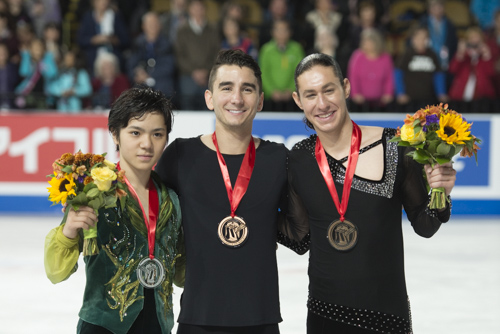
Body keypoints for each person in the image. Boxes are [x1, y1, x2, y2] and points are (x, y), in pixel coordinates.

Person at [286, 53, 456, 333]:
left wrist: (440, 192)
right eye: (311, 94)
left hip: (387, 316)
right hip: (325, 315)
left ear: (346, 87)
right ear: (298, 100)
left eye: (329, 90)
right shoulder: (300, 158)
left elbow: (425, 226)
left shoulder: (395, 145)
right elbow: (299, 236)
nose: (322, 103)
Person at [155, 49, 288, 334]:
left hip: (261, 320)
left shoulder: (279, 159)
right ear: (209, 98)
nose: (237, 98)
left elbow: (304, 227)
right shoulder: (181, 155)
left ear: (261, 100)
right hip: (197, 319)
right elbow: (146, 213)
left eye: (247, 89)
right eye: (226, 88)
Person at [44, 86, 185, 334]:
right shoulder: (94, 192)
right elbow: (56, 272)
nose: (146, 144)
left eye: (157, 134)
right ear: (115, 135)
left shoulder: (171, 199)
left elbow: (183, 274)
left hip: (158, 327)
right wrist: (68, 231)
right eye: (135, 132)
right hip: (103, 327)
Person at [174, 0, 220, 110]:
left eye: (200, 8)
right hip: (188, 77)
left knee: (208, 108)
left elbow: (216, 53)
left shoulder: (213, 30)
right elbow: (179, 55)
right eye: (194, 8)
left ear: (205, 10)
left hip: (208, 77)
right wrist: (194, 71)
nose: (198, 11)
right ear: (189, 10)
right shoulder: (181, 30)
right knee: (188, 110)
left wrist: (206, 70)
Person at [395, 26, 448, 113]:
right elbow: (398, 74)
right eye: (419, 38)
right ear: (413, 40)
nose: (422, 41)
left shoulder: (432, 55)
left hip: (428, 99)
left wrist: (441, 93)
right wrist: (400, 93)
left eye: (424, 38)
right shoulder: (407, 54)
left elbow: (438, 75)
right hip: (409, 100)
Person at [448, 26, 496, 114]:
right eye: (471, 39)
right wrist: (460, 53)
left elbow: (491, 73)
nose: (474, 42)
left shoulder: (485, 57)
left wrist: (487, 55)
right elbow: (452, 70)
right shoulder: (463, 55)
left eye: (477, 40)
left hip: (481, 100)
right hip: (460, 99)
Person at [259, 19, 304, 111]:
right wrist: (271, 91)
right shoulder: (266, 50)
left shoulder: (297, 49)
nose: (281, 33)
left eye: (284, 30)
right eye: (278, 30)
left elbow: (300, 72)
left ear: (290, 32)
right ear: (272, 32)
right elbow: (263, 72)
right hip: (270, 100)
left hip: (293, 99)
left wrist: (291, 89)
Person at [127, 11, 176, 97]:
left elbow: (168, 66)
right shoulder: (137, 43)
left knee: (165, 87)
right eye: (149, 23)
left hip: (160, 80)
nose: (153, 26)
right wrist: (137, 73)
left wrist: (149, 75)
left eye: (155, 23)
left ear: (160, 25)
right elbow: (131, 64)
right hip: (141, 81)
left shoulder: (167, 43)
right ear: (143, 26)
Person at [347, 28, 394, 112]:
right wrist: (355, 93)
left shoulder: (385, 57)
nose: (367, 44)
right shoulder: (357, 56)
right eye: (365, 41)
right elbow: (353, 77)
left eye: (370, 42)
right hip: (361, 104)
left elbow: (389, 78)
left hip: (381, 103)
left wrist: (388, 93)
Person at [48, 48, 92, 112]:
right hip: (61, 110)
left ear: (75, 59)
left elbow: (87, 89)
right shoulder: (59, 72)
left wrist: (74, 91)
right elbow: (51, 87)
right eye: (67, 58)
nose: (68, 60)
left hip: (76, 109)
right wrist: (61, 92)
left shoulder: (81, 73)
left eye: (71, 58)